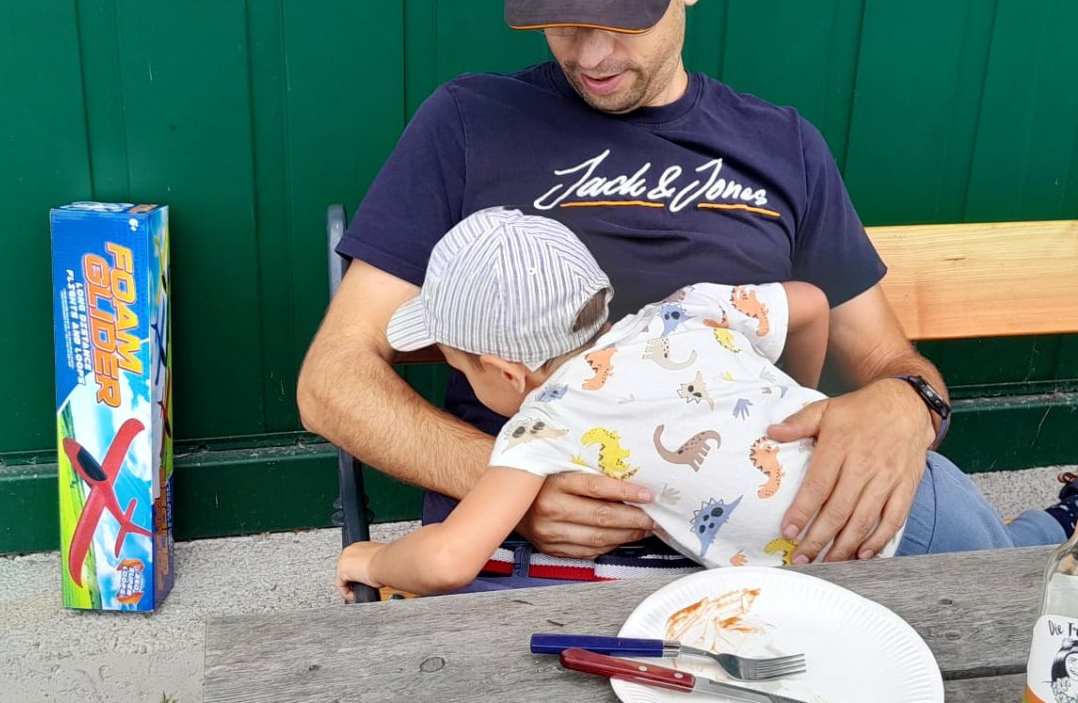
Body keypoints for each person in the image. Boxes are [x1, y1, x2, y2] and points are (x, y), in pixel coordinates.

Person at [299, 0, 1076, 591]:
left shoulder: (784, 147)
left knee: (996, 623)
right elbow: (332, 379)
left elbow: (886, 361)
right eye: (563, 18)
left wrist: (905, 407)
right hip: (534, 563)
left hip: (772, 553)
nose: (591, 54)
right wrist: (508, 482)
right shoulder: (468, 124)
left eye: (621, 14)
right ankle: (1050, 530)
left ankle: (1051, 529)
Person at [336, 207, 840, 598]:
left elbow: (448, 561)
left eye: (462, 368)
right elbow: (812, 304)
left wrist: (371, 561)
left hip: (836, 565)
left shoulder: (544, 423)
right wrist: (790, 408)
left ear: (508, 373)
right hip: (869, 477)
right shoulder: (687, 308)